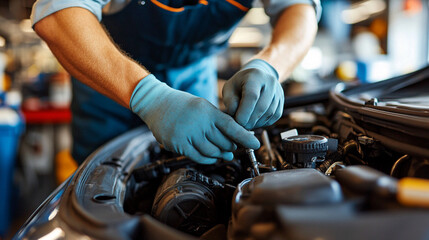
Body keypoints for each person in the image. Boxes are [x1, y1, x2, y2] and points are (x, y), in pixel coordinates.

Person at [31, 0, 320, 165]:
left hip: (193, 78)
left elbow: (298, 8)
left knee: (203, 172)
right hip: (107, 76)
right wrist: (149, 96)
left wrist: (270, 65)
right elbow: (58, 12)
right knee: (101, 184)